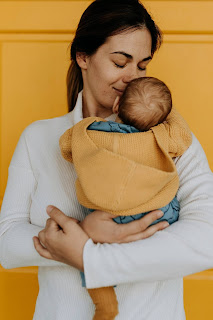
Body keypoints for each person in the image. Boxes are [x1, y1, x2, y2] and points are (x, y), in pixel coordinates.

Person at [0, 0, 213, 319]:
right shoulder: (40, 138)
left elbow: (206, 239)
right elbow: (6, 244)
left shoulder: (169, 138)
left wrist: (87, 253)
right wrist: (85, 231)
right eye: (120, 61)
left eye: (142, 65)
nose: (132, 77)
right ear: (83, 56)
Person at [59, 75, 192, 319]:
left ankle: (105, 304)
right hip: (155, 213)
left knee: (90, 254)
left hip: (106, 216)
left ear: (117, 105)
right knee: (163, 227)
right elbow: (184, 138)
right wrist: (166, 114)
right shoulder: (159, 138)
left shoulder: (91, 132)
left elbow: (67, 147)